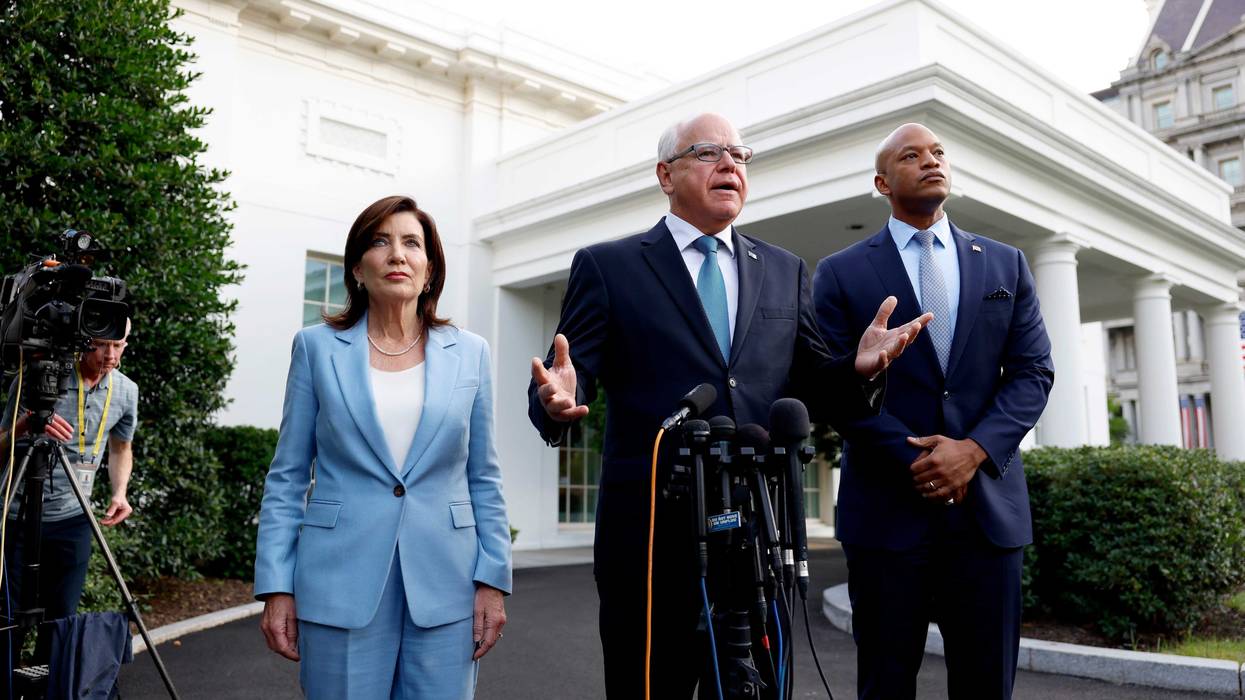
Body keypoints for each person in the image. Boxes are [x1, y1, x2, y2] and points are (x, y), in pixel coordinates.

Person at [528, 113, 930, 698]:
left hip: (758, 535)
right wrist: (558, 398)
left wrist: (859, 368)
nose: (730, 166)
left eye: (740, 157)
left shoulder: (785, 269)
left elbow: (818, 383)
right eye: (711, 152)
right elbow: (568, 374)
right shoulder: (608, 266)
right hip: (650, 537)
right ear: (666, 175)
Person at [812, 123, 1054, 699]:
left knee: (986, 684)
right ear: (881, 181)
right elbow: (829, 386)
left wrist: (972, 452)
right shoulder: (840, 272)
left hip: (987, 512)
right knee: (886, 682)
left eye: (939, 153)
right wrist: (917, 458)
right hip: (888, 512)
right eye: (911, 155)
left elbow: (1033, 373)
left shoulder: (1005, 264)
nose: (930, 161)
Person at [254, 195, 511, 699]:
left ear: (429, 268)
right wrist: (277, 585)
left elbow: (484, 475)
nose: (397, 254)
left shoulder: (471, 354)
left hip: (448, 584)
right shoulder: (315, 348)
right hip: (337, 583)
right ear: (356, 268)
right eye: (380, 241)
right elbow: (287, 474)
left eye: (412, 243)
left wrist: (493, 578)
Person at [0, 320, 139, 672]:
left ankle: (49, 690)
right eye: (101, 345)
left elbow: (121, 446)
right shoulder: (36, 379)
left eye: (118, 345)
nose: (110, 355)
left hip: (74, 518)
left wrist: (120, 492)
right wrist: (27, 425)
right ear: (83, 341)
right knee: (6, 616)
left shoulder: (126, 391)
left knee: (61, 618)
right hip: (17, 514)